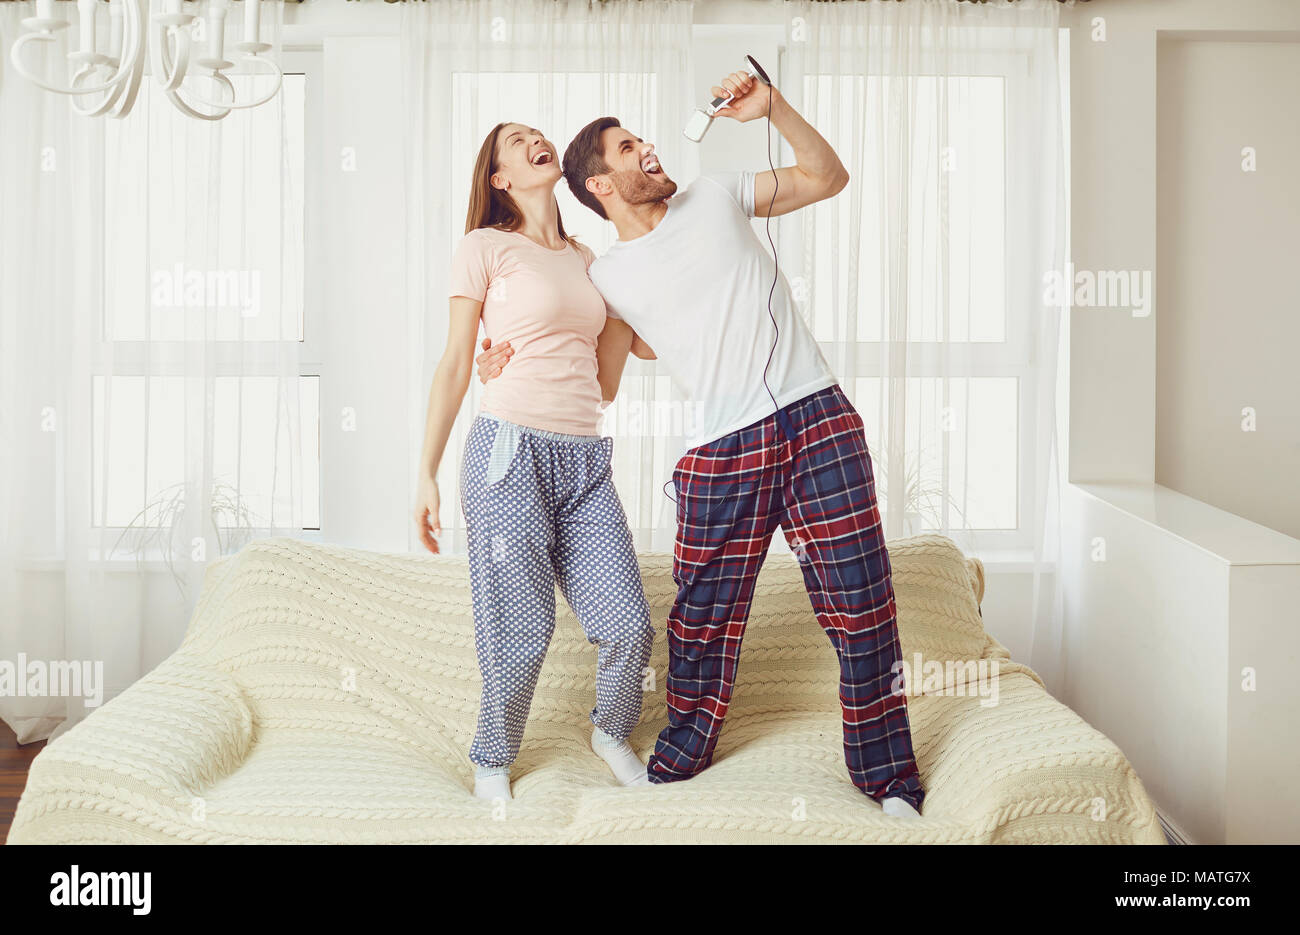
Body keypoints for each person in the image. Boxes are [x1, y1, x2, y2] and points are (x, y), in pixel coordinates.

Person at [476, 71, 926, 817]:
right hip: (721, 450)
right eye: (629, 146)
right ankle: (678, 760)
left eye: (644, 138)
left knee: (864, 603)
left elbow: (828, 176)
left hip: (818, 417)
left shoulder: (716, 192)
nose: (649, 147)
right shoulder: (607, 277)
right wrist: (501, 362)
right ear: (601, 183)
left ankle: (889, 781)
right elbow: (601, 371)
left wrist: (772, 106)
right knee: (701, 620)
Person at [414, 122, 655, 802]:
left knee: (629, 624)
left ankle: (610, 730)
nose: (536, 141)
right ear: (500, 179)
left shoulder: (590, 259)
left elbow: (605, 383)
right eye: (517, 142)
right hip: (508, 452)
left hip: (584, 461)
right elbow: (460, 359)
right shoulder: (485, 247)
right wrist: (425, 473)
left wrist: (639, 311)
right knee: (521, 626)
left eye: (539, 134)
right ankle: (492, 756)